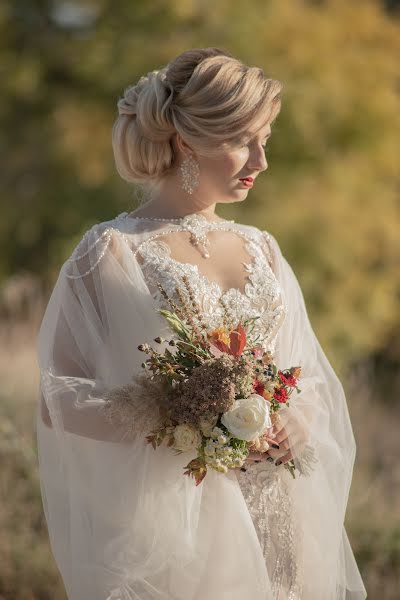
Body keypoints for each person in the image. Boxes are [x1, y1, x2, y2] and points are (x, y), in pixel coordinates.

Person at [36, 47, 367, 599]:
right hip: (177, 528)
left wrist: (297, 421)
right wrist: (173, 409)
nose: (261, 161)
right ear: (187, 141)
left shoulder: (264, 249)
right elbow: (57, 397)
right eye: (243, 141)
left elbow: (306, 377)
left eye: (266, 139)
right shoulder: (111, 250)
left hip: (280, 512)